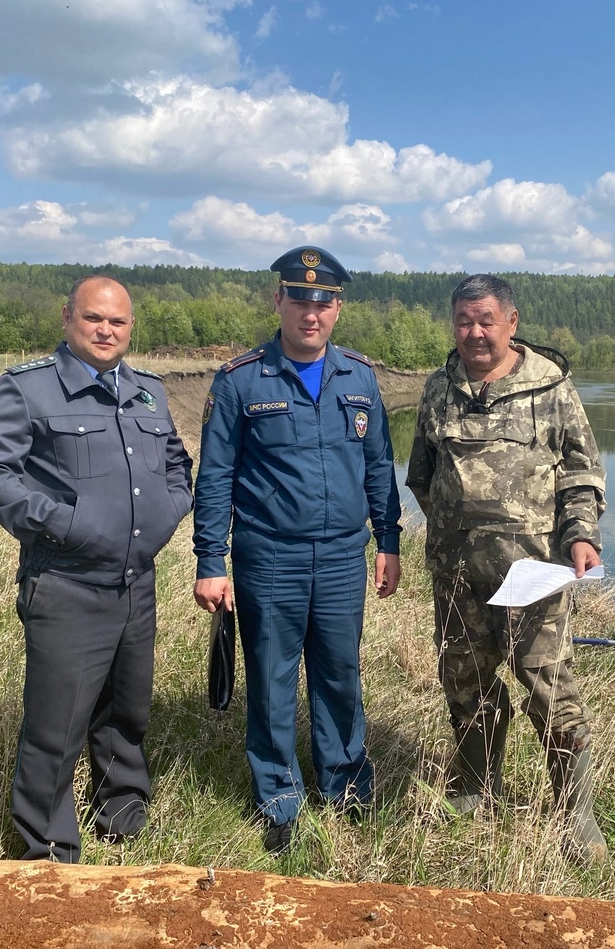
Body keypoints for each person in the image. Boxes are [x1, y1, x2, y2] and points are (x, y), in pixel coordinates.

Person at [0, 275, 193, 863]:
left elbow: (175, 465)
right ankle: (47, 847)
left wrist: (167, 514)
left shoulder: (148, 392)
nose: (106, 330)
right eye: (93, 318)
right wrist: (65, 523)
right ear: (68, 318)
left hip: (136, 584)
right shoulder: (29, 389)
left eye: (117, 322)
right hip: (66, 584)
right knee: (56, 724)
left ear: (130, 328)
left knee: (127, 710)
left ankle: (122, 809)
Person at [192, 245, 402, 854]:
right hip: (270, 555)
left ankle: (345, 786)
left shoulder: (359, 377)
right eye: (300, 298)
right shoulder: (240, 379)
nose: (312, 312)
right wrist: (212, 561)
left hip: (342, 556)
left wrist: (388, 540)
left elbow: (379, 464)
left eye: (324, 301)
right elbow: (216, 477)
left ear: (338, 307)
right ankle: (277, 796)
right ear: (278, 300)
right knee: (272, 677)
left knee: (340, 674)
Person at [406, 273, 609, 862]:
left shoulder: (550, 388)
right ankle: (476, 787)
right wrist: (460, 529)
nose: (474, 333)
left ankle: (575, 813)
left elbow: (581, 473)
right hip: (456, 574)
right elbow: (421, 474)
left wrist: (580, 535)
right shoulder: (438, 389)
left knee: (548, 687)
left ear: (511, 323)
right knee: (465, 683)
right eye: (464, 322)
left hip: (536, 574)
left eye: (486, 321)